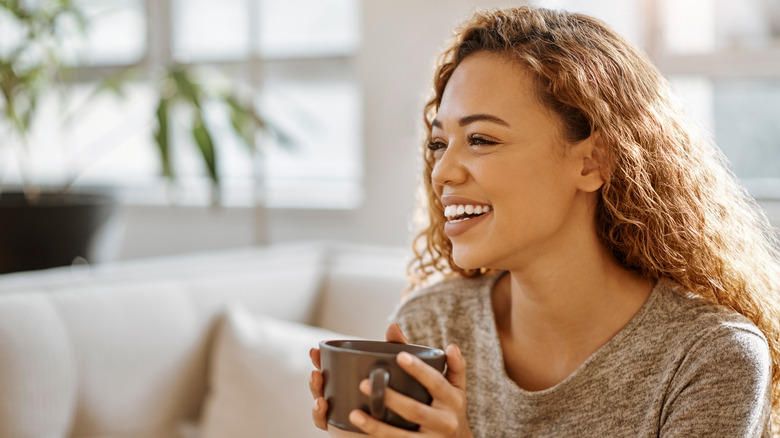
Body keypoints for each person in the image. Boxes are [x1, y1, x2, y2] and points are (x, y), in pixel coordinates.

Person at [310, 6, 780, 437]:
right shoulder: (431, 325)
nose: (443, 172)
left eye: (480, 139)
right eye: (439, 144)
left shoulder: (710, 357)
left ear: (593, 162)